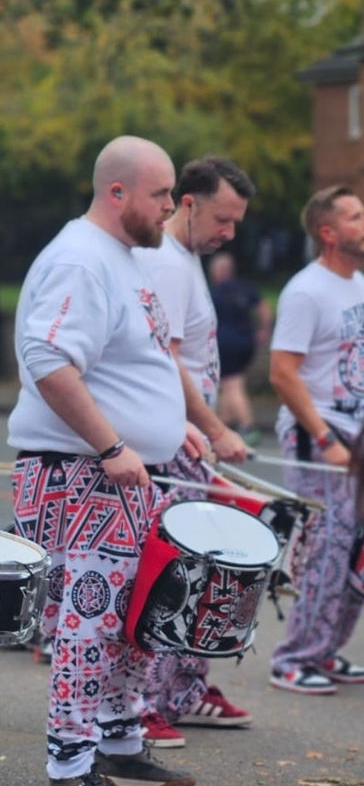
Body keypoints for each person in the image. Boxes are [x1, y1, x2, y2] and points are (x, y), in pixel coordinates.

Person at [8, 135, 197, 786]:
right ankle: (69, 767)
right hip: (81, 473)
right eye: (160, 194)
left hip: (113, 472)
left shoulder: (118, 258)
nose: (171, 207)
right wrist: (114, 443)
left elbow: (130, 364)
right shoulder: (81, 259)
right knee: (90, 621)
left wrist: (176, 426)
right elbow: (48, 357)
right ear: (117, 193)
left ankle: (116, 743)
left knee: (126, 619)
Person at [131, 156, 256, 744]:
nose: (229, 233)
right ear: (188, 202)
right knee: (180, 572)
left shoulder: (184, 261)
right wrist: (213, 427)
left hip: (188, 433)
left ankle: (183, 687)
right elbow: (169, 358)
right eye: (223, 219)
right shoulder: (168, 264)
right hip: (181, 434)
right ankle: (150, 701)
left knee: (204, 568)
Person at [267, 185, 364, 694]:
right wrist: (325, 438)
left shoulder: (359, 285)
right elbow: (283, 374)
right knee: (328, 548)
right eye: (355, 216)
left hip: (358, 432)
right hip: (322, 434)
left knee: (356, 553)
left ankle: (325, 651)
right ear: (329, 233)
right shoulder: (307, 291)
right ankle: (293, 657)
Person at [209, 250, 272, 441]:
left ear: (218, 271)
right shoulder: (245, 288)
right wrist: (264, 331)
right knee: (229, 384)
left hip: (225, 343)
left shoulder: (213, 293)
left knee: (231, 384)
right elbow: (264, 309)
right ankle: (223, 424)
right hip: (246, 342)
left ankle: (248, 425)